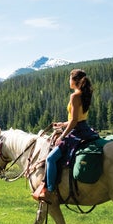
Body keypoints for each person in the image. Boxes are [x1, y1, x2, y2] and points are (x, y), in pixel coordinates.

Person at [33, 69, 99, 202]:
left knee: (50, 159)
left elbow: (74, 121)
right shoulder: (84, 94)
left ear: (75, 81)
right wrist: (62, 124)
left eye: (70, 79)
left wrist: (62, 136)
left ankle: (50, 190)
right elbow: (77, 118)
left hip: (76, 132)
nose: (68, 81)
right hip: (84, 128)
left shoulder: (75, 96)